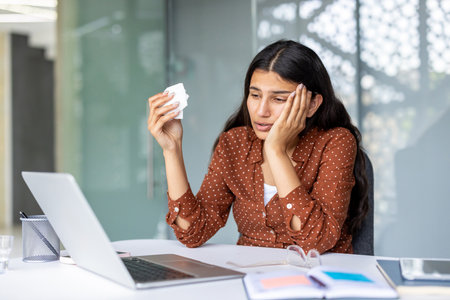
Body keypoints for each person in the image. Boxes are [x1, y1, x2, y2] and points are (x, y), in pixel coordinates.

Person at [147, 40, 368, 254]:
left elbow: (316, 241)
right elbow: (193, 233)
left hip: (317, 279)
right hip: (251, 280)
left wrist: (276, 151)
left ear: (311, 104)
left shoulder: (336, 142)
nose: (261, 111)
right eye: (255, 95)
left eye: (278, 99)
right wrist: (172, 149)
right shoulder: (233, 144)